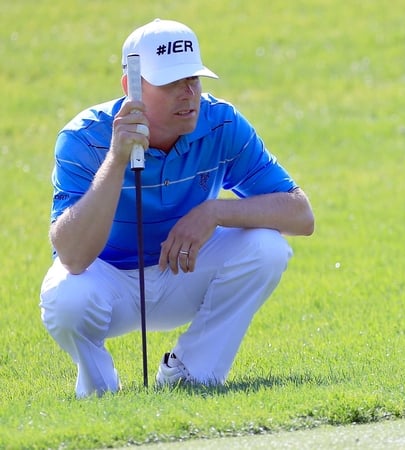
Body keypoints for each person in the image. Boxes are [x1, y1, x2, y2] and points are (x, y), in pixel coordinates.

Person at [39, 18, 314, 398]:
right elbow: (72, 257)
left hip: (182, 271)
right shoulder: (83, 138)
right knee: (65, 299)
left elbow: (301, 215)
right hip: (108, 285)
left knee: (267, 248)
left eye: (194, 80)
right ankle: (99, 391)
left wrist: (214, 212)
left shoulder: (222, 123)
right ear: (131, 87)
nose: (188, 95)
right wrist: (117, 160)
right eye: (170, 83)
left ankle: (191, 375)